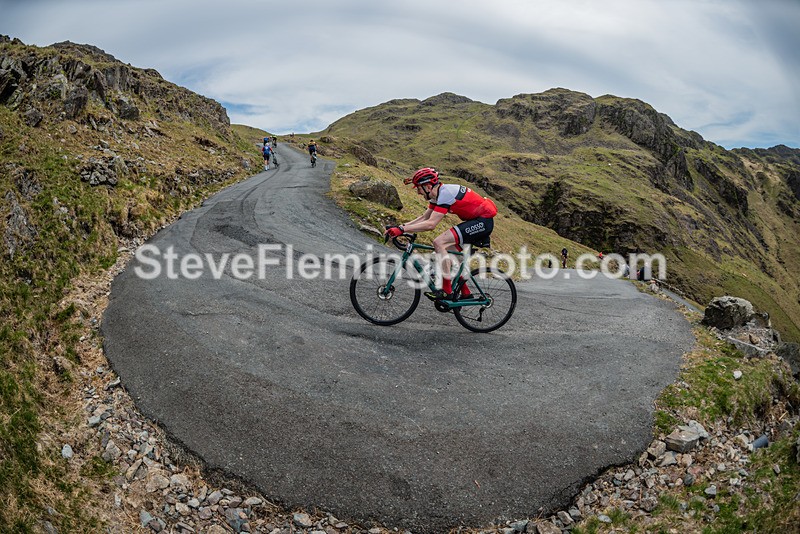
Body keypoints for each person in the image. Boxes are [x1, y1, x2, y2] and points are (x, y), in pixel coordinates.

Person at [385, 167, 498, 301]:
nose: (418, 192)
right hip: (476, 221)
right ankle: (466, 293)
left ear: (427, 186)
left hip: (482, 222)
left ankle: (446, 291)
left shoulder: (446, 194)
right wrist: (401, 227)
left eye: (419, 188)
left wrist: (402, 230)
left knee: (439, 243)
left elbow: (431, 224)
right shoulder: (437, 195)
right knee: (444, 257)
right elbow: (425, 218)